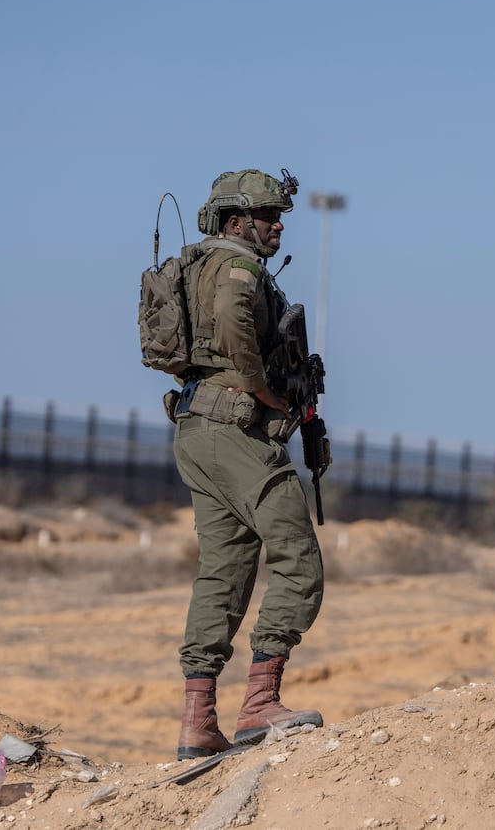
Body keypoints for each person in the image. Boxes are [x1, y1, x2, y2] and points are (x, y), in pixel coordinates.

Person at [172, 169, 325, 759]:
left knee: (224, 571)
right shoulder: (238, 267)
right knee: (298, 559)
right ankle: (260, 704)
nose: (279, 225)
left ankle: (197, 721)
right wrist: (262, 391)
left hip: (196, 429)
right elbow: (237, 319)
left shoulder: (191, 266)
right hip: (238, 431)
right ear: (237, 222)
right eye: (268, 217)